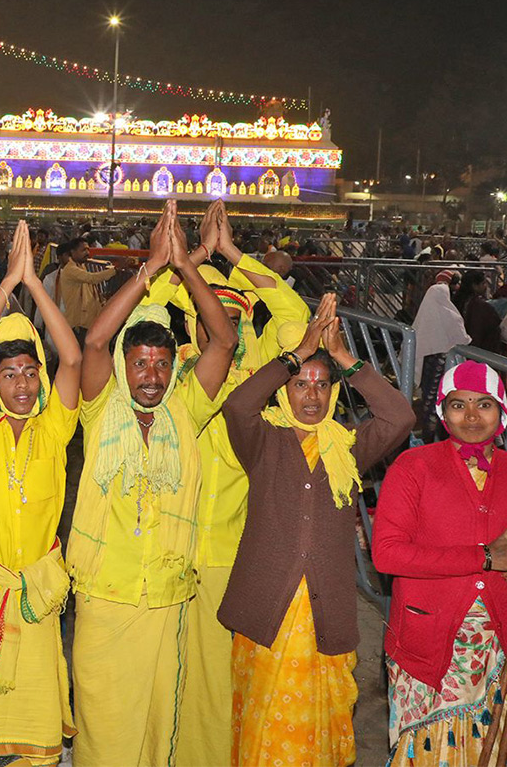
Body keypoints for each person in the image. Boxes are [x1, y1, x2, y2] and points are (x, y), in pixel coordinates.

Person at [66, 201, 238, 766]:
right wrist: (149, 270)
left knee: (157, 723)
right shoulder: (100, 409)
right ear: (123, 367)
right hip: (104, 597)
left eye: (161, 364)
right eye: (139, 364)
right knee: (102, 726)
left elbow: (224, 343)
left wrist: (186, 266)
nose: (151, 376)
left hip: (165, 598)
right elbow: (93, 342)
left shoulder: (186, 411)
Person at [145, 202, 311, 767]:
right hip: (161, 546)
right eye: (209, 311)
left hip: (229, 551)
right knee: (159, 673)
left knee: (215, 682)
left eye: (233, 312)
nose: (225, 323)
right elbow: (145, 303)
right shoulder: (163, 371)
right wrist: (190, 260)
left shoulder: (266, 366)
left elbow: (294, 313)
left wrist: (233, 255)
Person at [221, 294, 414, 767]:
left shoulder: (347, 447)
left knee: (316, 727)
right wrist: (296, 354)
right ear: (283, 391)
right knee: (266, 727)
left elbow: (400, 417)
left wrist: (346, 358)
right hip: (267, 612)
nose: (312, 396)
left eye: (323, 385)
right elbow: (236, 406)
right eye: (301, 385)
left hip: (323, 615)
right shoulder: (264, 439)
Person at [0, 221, 81, 765]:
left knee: (38, 730)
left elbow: (72, 358)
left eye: (31, 372)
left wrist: (38, 287)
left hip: (37, 591)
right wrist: (9, 284)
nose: (22, 385)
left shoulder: (56, 428)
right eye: (9, 374)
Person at [374, 360, 507, 765]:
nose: (470, 416)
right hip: (427, 642)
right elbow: (387, 553)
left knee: (488, 749)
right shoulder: (414, 467)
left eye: (484, 404)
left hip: (496, 645)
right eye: (458, 404)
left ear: (502, 410)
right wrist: (483, 558)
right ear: (441, 412)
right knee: (431, 752)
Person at [412, 270, 470, 443]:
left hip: (429, 360)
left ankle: (430, 434)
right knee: (439, 398)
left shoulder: (426, 312)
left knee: (429, 398)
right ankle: (435, 436)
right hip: (440, 360)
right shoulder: (448, 312)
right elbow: (462, 336)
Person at [56, 237, 115, 342]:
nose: (87, 253)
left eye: (88, 249)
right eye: (83, 250)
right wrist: (115, 270)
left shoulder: (81, 266)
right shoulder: (70, 270)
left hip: (87, 323)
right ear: (72, 252)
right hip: (78, 325)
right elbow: (92, 278)